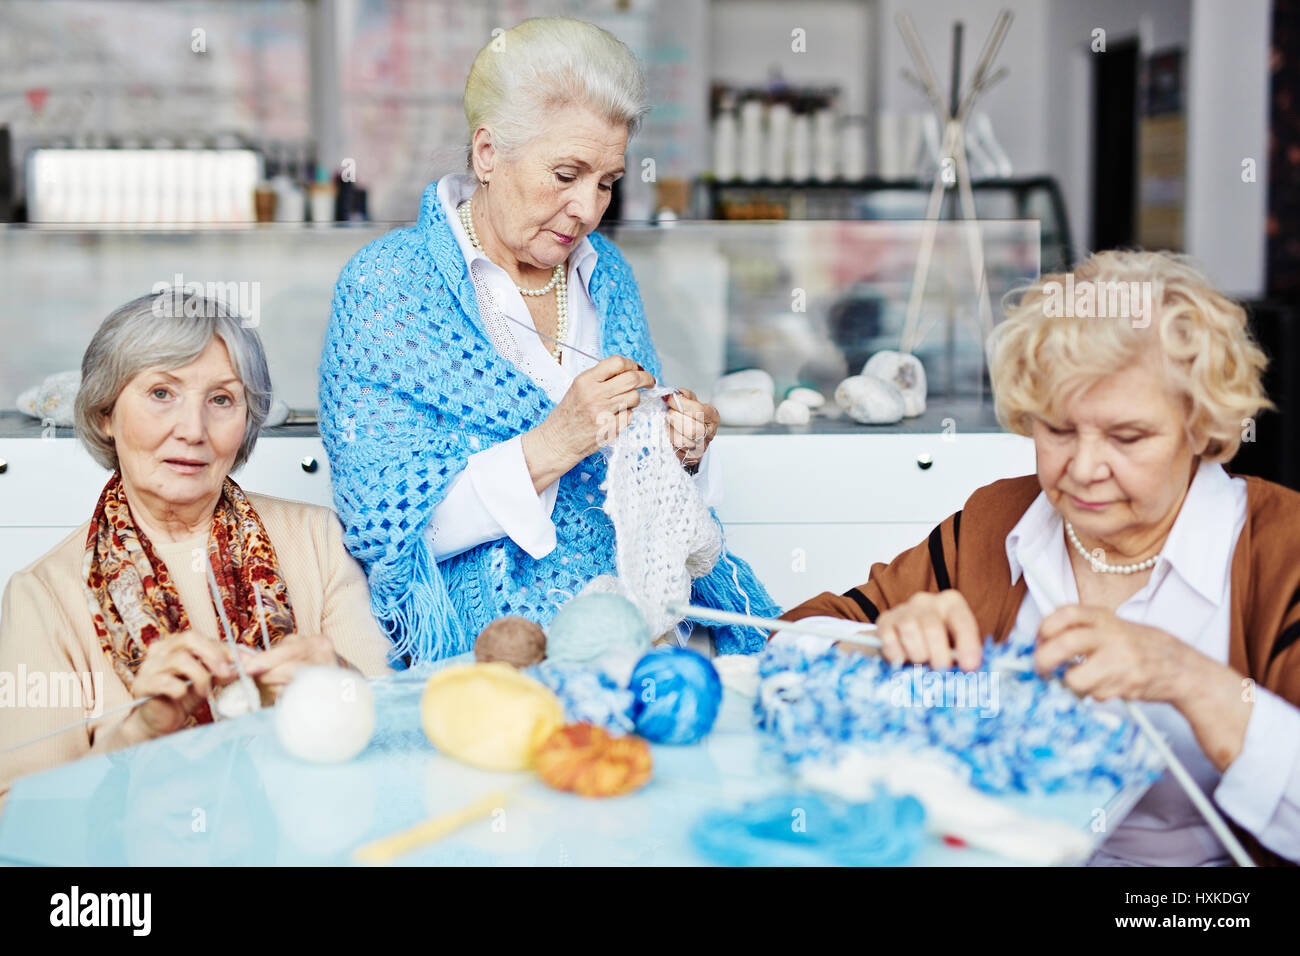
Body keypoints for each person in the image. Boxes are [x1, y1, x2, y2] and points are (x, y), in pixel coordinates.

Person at [781, 250, 1300, 865]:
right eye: (1056, 429)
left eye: (1126, 437)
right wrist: (874, 647)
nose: (1082, 469)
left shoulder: (1282, 549)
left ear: (1201, 425)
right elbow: (787, 643)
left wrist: (1190, 680)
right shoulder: (997, 521)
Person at [318, 17, 776, 663]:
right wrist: (555, 443)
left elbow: (642, 486)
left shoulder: (607, 273)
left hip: (645, 627)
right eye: (567, 173)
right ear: (487, 153)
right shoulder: (388, 286)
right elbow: (386, 529)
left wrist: (681, 446)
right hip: (494, 649)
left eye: (608, 182)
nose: (589, 209)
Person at [0, 289, 394, 811]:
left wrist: (340, 682)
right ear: (104, 415)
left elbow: (396, 757)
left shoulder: (318, 540)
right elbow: (22, 815)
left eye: (222, 399)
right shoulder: (42, 595)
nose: (192, 431)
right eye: (161, 393)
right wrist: (139, 730)